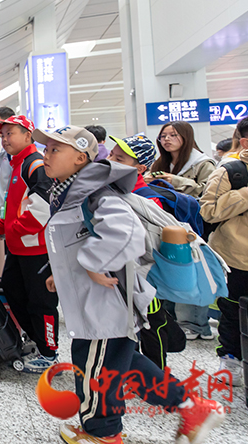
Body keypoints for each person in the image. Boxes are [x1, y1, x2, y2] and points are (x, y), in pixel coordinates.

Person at [37, 125, 225, 444]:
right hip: (100, 297)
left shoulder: (94, 192)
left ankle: (102, 433)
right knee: (122, 363)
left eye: (56, 149)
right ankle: (192, 407)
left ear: (80, 158)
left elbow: (125, 232)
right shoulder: (72, 191)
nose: (46, 155)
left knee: (96, 367)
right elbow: (79, 239)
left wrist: (92, 263)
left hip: (103, 301)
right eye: (46, 148)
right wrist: (64, 272)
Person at [106, 134, 187, 369]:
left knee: (152, 326)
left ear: (140, 168)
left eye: (119, 159)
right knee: (126, 328)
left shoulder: (146, 200)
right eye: (111, 154)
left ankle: (157, 376)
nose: (110, 160)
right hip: (119, 275)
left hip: (144, 278)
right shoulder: (113, 189)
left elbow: (148, 244)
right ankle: (130, 372)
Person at [0, 115, 58, 372]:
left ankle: (49, 352)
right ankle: (36, 339)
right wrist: (2, 227)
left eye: (11, 133)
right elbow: (13, 203)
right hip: (19, 247)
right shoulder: (18, 164)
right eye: (3, 135)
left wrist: (14, 230)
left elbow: (43, 207)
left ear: (27, 135)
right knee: (14, 291)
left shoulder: (35, 164)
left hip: (36, 248)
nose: (5, 139)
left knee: (41, 301)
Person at [200, 112, 248, 388]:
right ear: (247, 143)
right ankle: (231, 359)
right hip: (238, 258)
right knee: (233, 311)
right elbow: (208, 211)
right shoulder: (230, 171)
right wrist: (246, 193)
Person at [150, 121, 216, 341]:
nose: (167, 139)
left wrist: (176, 181)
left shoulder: (202, 163)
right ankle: (173, 322)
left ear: (186, 137)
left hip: (192, 227)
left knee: (191, 272)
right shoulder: (160, 163)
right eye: (163, 136)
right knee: (172, 272)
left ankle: (196, 324)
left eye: (173, 135)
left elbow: (209, 193)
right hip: (166, 226)